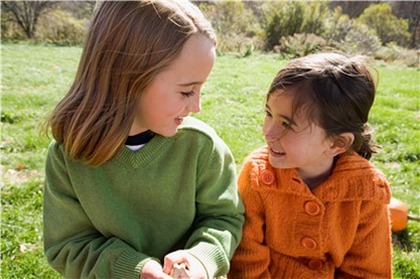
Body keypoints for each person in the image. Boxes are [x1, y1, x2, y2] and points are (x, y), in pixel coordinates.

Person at [43, 1, 244, 279]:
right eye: (187, 91)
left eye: (201, 89)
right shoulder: (69, 156)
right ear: (129, 76)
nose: (197, 106)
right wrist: (137, 270)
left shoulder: (201, 146)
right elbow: (68, 246)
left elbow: (224, 218)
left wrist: (200, 260)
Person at [228, 53, 392, 278]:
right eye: (269, 113)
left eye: (287, 123)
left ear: (337, 143)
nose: (268, 132)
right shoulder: (257, 176)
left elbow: (368, 270)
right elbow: (246, 259)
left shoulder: (367, 191)